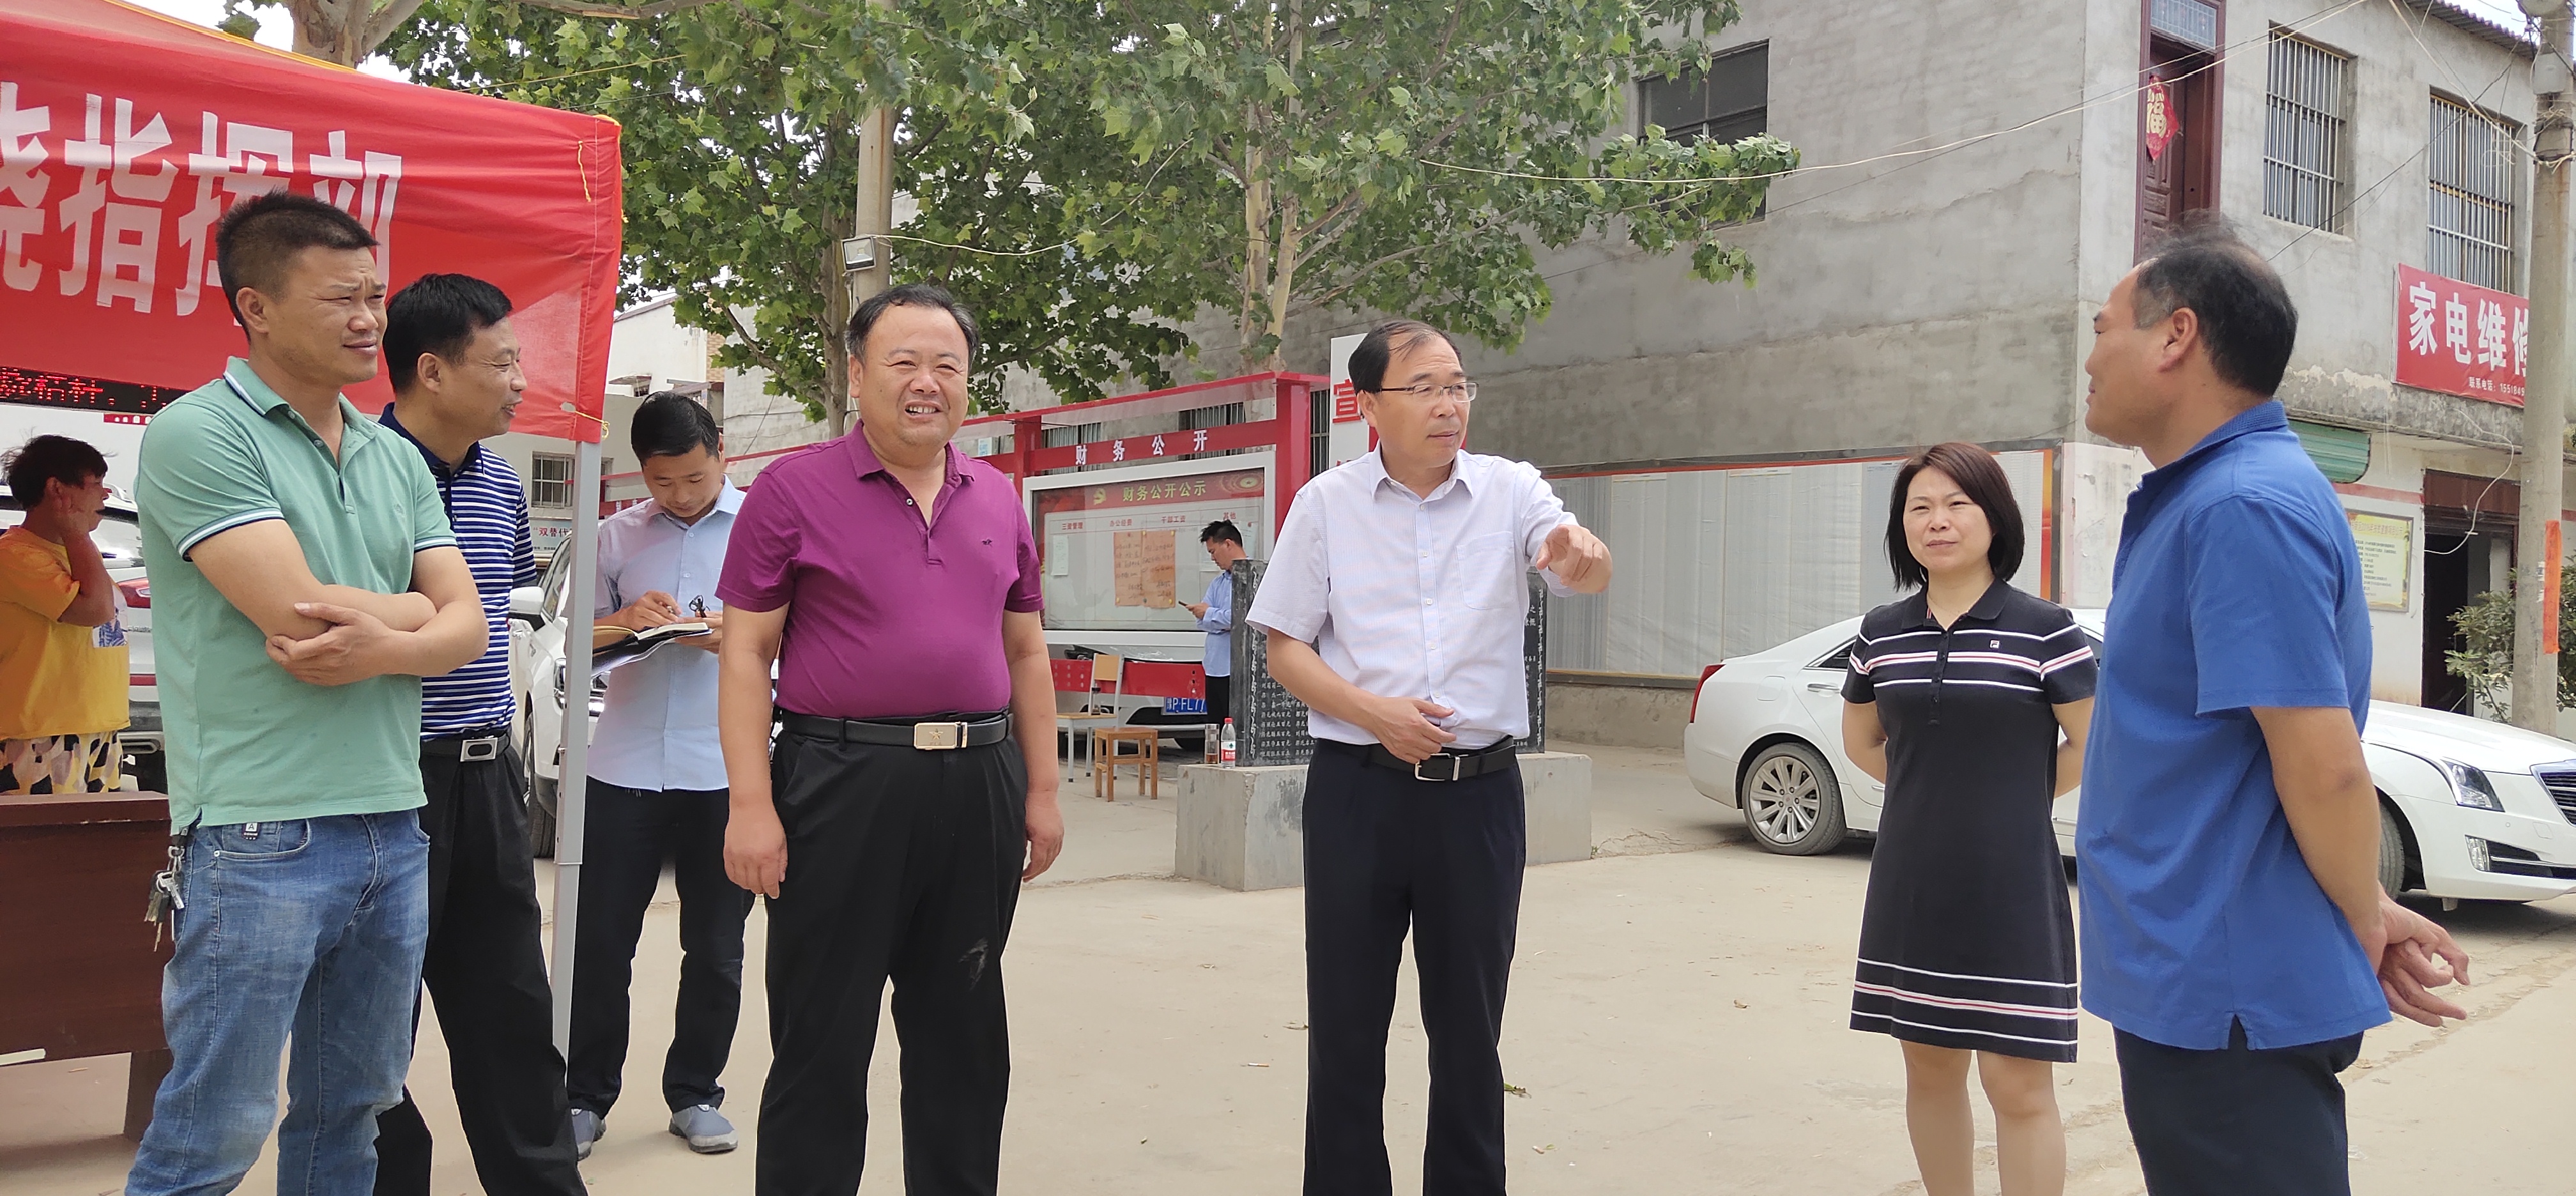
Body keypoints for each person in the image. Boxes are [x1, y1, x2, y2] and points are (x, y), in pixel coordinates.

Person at [2077, 218, 2472, 1195]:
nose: (2089, 357)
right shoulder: (2213, 497)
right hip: (2201, 979)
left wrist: (2363, 915)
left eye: (2103, 328)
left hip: (2227, 994)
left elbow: (2323, 765)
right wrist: (2365, 901)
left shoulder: (2240, 506)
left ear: (2176, 336)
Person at [124, 191, 488, 1196]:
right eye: (341, 299)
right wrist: (415, 616)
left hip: (393, 819)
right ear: (256, 306)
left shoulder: (390, 452)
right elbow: (300, 616)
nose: (370, 319)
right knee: (214, 1128)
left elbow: (471, 629)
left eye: (375, 296)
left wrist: (399, 631)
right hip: (258, 832)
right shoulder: (200, 433)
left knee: (354, 1110)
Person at [1246, 319, 1611, 1196]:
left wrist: (1583, 556)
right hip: (1357, 795)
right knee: (1346, 1022)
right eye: (1425, 388)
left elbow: (1573, 563)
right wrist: (1374, 714)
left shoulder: (1511, 491)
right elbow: (1284, 647)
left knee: (1469, 1028)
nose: (1449, 405)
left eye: (1458, 386)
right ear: (1369, 406)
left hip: (1477, 799)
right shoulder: (1325, 505)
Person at [717, 282, 1063, 1196]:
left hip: (978, 783)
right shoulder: (792, 491)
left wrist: (1041, 791)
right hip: (841, 782)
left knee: (965, 1036)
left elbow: (1026, 651)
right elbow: (747, 652)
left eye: (947, 365)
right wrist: (750, 805)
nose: (926, 382)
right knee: (822, 1038)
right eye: (903, 362)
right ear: (856, 372)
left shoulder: (997, 497)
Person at [370, 273, 588, 1196]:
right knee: (373, 1024)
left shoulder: (501, 482)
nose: (519, 383)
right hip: (386, 781)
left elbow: (499, 613)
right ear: (432, 370)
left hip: (487, 773)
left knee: (511, 1012)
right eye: (501, 363)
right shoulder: (355, 473)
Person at [1841, 443, 2091, 1196]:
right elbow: (1862, 742)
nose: (1937, 521)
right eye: (1920, 508)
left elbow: (2094, 742)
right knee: (1929, 1069)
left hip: (2013, 886)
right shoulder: (1881, 632)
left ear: (1995, 519)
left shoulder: (2046, 628)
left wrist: (2012, 798)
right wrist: (1939, 793)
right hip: (1913, 882)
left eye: (1957, 504)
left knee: (2019, 1084)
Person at [567, 390, 755, 1160]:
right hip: (625, 767)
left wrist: (736, 636)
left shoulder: (763, 529)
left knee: (716, 947)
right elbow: (574, 641)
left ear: (721, 452)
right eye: (661, 481)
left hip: (726, 770)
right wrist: (625, 622)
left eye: (695, 478)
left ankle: (696, 1093)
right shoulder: (613, 537)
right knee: (599, 943)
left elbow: (807, 634)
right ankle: (583, 1097)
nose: (679, 495)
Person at [1, 434, 128, 793]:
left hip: (97, 727)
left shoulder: (76, 553)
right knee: (47, 832)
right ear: (56, 489)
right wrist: (76, 533)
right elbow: (95, 610)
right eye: (96, 483)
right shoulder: (15, 556)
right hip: (40, 735)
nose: (106, 494)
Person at [1183, 519, 1246, 725]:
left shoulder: (1251, 579)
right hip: (1214, 667)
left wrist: (1211, 615)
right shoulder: (1217, 583)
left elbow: (1241, 620)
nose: (1212, 558)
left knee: (1235, 729)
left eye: (1213, 552)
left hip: (1238, 670)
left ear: (1228, 544)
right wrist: (1217, 619)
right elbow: (1202, 622)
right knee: (1215, 727)